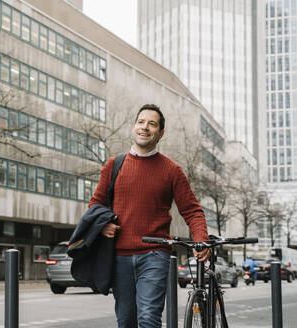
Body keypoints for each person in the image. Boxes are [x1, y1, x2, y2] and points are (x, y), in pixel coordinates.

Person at [89, 104, 210, 328]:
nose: (145, 127)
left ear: (160, 133)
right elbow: (96, 204)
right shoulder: (114, 165)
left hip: (155, 255)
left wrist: (201, 238)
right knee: (126, 321)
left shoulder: (172, 170)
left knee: (148, 318)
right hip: (119, 256)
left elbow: (192, 210)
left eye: (152, 124)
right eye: (141, 122)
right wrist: (103, 224)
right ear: (134, 127)